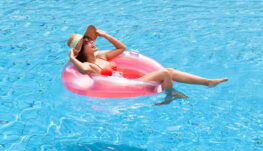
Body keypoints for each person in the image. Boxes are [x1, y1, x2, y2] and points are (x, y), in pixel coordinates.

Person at [67, 25, 228, 105]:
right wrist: (73, 59)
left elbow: (122, 48)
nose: (92, 41)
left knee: (169, 71)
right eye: (86, 42)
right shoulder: (89, 65)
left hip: (127, 79)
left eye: (90, 39)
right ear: (81, 51)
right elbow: (81, 70)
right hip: (125, 85)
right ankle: (171, 94)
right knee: (166, 73)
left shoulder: (101, 56)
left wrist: (105, 35)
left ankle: (207, 82)